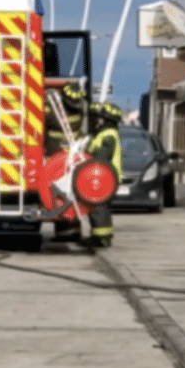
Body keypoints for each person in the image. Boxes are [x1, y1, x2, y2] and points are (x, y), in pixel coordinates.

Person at [46, 82, 86, 242]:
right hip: (72, 154)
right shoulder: (80, 109)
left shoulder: (54, 110)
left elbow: (46, 122)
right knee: (71, 191)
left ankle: (64, 231)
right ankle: (72, 230)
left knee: (57, 191)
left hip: (55, 153)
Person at [83, 101, 123, 249]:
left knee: (100, 208)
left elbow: (102, 156)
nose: (96, 120)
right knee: (96, 207)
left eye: (100, 118)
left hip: (106, 178)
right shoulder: (102, 133)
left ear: (107, 120)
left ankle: (102, 238)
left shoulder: (108, 135)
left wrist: (91, 154)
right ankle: (98, 236)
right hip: (102, 177)